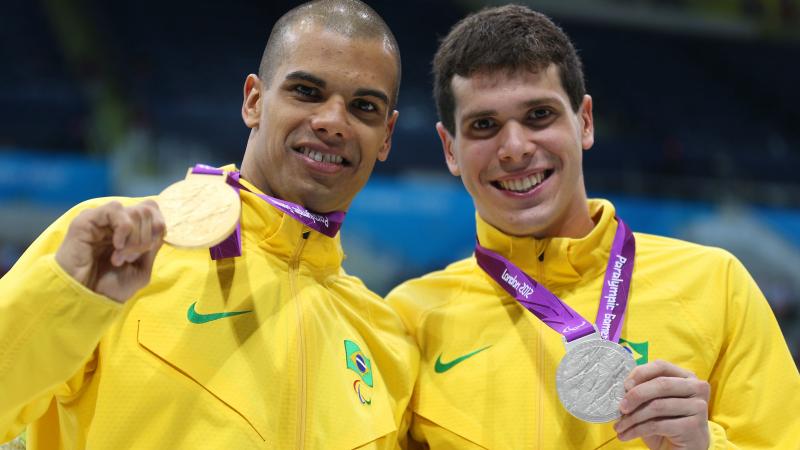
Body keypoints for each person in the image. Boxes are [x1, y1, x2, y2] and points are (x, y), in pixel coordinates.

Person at [0, 1, 418, 448]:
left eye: (364, 107)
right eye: (307, 92)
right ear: (254, 101)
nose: (334, 122)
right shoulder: (118, 248)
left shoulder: (384, 342)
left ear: (387, 137)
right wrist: (66, 297)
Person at [386, 5, 800, 449]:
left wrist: (705, 445)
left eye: (538, 115)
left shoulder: (717, 285)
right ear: (450, 149)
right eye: (484, 125)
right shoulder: (410, 319)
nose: (515, 148)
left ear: (584, 121)